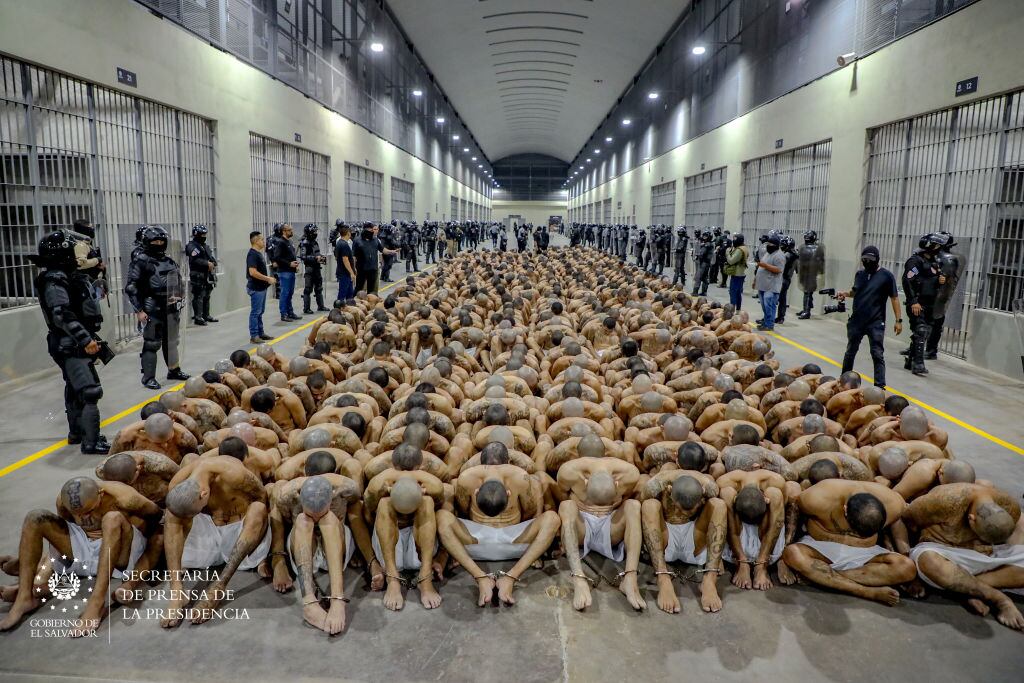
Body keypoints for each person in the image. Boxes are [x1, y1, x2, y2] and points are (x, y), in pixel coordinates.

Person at [29, 230, 111, 454]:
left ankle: (77, 433)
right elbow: (61, 314)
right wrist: (85, 339)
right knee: (90, 391)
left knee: (76, 389)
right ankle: (91, 442)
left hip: (72, 340)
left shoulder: (66, 275)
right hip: (70, 342)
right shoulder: (54, 279)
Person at [125, 225, 190, 390]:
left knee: (172, 342)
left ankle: (174, 370)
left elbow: (178, 283)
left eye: (161, 240)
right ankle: (148, 378)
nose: (159, 243)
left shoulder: (169, 261)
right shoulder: (141, 261)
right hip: (151, 308)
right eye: (155, 240)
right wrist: (139, 310)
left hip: (171, 307)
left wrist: (180, 300)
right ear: (148, 241)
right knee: (152, 344)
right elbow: (131, 287)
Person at [835, 245, 902, 388]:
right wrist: (845, 294)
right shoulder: (860, 274)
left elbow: (894, 298)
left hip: (875, 322)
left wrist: (898, 320)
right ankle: (844, 380)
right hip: (857, 321)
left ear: (877, 259)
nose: (867, 262)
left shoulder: (886, 276)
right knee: (850, 351)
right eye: (864, 259)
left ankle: (880, 386)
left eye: (870, 259)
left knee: (877, 354)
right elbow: (855, 292)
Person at [901, 233, 943, 376]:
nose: (938, 249)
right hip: (918, 303)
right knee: (921, 330)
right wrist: (913, 301)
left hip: (930, 304)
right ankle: (918, 364)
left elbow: (931, 282)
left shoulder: (934, 263)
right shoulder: (915, 261)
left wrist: (939, 280)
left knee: (925, 333)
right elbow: (908, 281)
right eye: (936, 246)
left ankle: (910, 359)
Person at [925, 231, 963, 360]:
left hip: (940, 294)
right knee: (923, 321)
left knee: (935, 322)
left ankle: (931, 350)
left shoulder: (948, 259)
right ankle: (917, 347)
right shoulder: (934, 257)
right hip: (929, 293)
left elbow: (946, 279)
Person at [246, 231, 276, 344]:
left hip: (261, 288)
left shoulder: (258, 253)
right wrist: (268, 278)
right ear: (256, 241)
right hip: (256, 288)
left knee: (260, 311)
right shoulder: (252, 254)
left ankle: (260, 332)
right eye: (262, 239)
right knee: (255, 312)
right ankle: (254, 335)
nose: (264, 241)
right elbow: (252, 272)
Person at [185, 224, 218, 326]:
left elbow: (210, 257)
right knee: (199, 295)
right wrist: (206, 263)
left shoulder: (205, 246)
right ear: (196, 234)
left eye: (205, 234)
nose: (204, 236)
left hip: (207, 275)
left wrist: (213, 262)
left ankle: (206, 315)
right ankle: (198, 317)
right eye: (201, 234)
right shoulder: (191, 246)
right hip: (197, 275)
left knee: (207, 295)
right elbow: (195, 260)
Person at [753, 233, 786, 332]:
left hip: (771, 286)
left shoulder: (779, 256)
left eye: (770, 244)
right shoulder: (768, 253)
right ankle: (766, 322)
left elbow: (779, 270)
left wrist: (765, 266)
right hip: (763, 285)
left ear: (775, 245)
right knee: (764, 306)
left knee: (769, 305)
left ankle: (769, 324)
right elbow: (760, 267)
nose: (768, 246)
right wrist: (755, 280)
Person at [353, 222, 396, 295]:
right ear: (365, 229)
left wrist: (391, 251)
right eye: (370, 229)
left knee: (372, 289)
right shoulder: (357, 241)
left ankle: (370, 303)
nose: (372, 231)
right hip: (361, 269)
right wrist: (353, 269)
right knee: (359, 288)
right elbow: (353, 256)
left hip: (373, 269)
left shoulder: (375, 240)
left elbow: (382, 250)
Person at [269, 223, 300, 322]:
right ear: (284, 231)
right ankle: (284, 314)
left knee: (290, 293)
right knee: (285, 293)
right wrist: (289, 264)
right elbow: (277, 257)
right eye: (289, 230)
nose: (292, 231)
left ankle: (290, 312)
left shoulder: (289, 241)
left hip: (291, 271)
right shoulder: (281, 242)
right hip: (284, 272)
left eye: (291, 229)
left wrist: (294, 266)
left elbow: (289, 256)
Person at [298, 223, 328, 314]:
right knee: (308, 289)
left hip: (317, 268)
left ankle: (321, 306)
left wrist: (321, 257)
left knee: (319, 288)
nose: (315, 233)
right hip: (309, 268)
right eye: (314, 231)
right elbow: (303, 257)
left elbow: (317, 253)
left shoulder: (315, 242)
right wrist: (315, 258)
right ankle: (306, 308)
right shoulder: (304, 243)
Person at [796, 230, 826, 319]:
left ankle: (807, 311)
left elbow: (821, 261)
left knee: (808, 293)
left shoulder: (818, 248)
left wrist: (819, 272)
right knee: (807, 292)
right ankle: (806, 308)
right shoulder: (804, 248)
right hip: (804, 273)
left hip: (811, 273)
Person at [775, 235, 799, 324]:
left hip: (783, 278)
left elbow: (780, 266)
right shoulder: (795, 255)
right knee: (782, 299)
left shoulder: (787, 255)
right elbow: (798, 270)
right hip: (787, 279)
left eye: (783, 244)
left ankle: (775, 317)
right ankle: (780, 317)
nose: (781, 246)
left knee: (775, 299)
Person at [724, 233, 749, 310]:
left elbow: (731, 261)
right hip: (740, 274)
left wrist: (728, 253)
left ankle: (731, 311)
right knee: (738, 294)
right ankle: (738, 310)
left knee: (733, 293)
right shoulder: (744, 248)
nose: (733, 242)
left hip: (737, 274)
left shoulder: (739, 250)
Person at [333, 224, 356, 301]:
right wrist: (352, 273)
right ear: (348, 233)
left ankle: (348, 307)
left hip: (344, 272)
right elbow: (345, 260)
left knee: (350, 294)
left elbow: (336, 257)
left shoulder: (339, 243)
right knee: (342, 294)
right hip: (345, 273)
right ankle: (339, 309)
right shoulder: (344, 245)